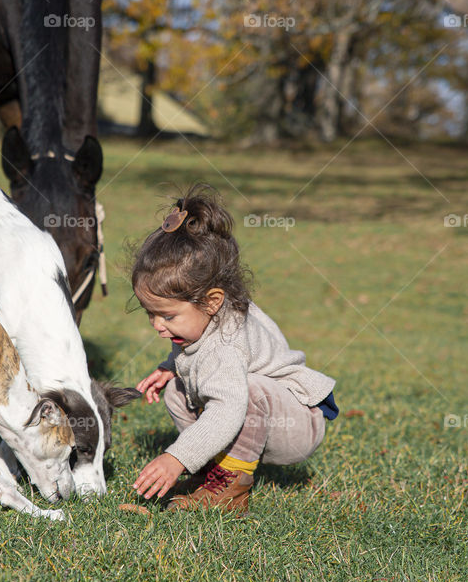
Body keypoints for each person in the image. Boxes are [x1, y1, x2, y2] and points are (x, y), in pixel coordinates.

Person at [130, 186, 338, 512]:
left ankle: (231, 487)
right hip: (261, 417)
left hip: (297, 421)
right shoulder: (210, 314)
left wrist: (176, 457)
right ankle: (212, 473)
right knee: (176, 390)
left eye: (168, 315)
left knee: (246, 391)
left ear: (212, 301)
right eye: (150, 314)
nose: (157, 325)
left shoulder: (228, 345)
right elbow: (196, 349)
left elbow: (228, 408)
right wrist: (170, 367)